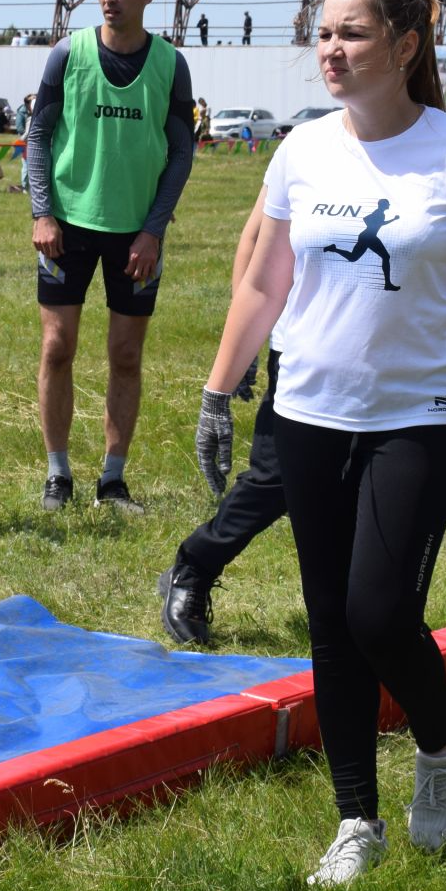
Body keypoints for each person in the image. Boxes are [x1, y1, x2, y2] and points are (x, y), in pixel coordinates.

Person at [193, 0, 446, 885]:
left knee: (378, 612)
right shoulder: (302, 151)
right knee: (329, 622)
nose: (331, 49)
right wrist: (217, 391)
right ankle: (356, 818)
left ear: (405, 46)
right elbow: (265, 283)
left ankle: (439, 747)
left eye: (352, 33)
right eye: (323, 33)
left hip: (419, 419)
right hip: (310, 411)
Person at [27, 0, 195, 512]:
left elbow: (179, 154)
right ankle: (58, 475)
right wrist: (42, 213)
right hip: (66, 227)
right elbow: (38, 137)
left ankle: (113, 480)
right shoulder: (66, 54)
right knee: (57, 347)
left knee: (125, 355)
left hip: (136, 238)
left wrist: (153, 231)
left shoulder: (171, 64)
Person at [158, 190, 280, 645]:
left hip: (409, 372)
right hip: (308, 353)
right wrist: (244, 343)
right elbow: (253, 241)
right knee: (276, 479)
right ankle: (195, 566)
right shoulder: (307, 146)